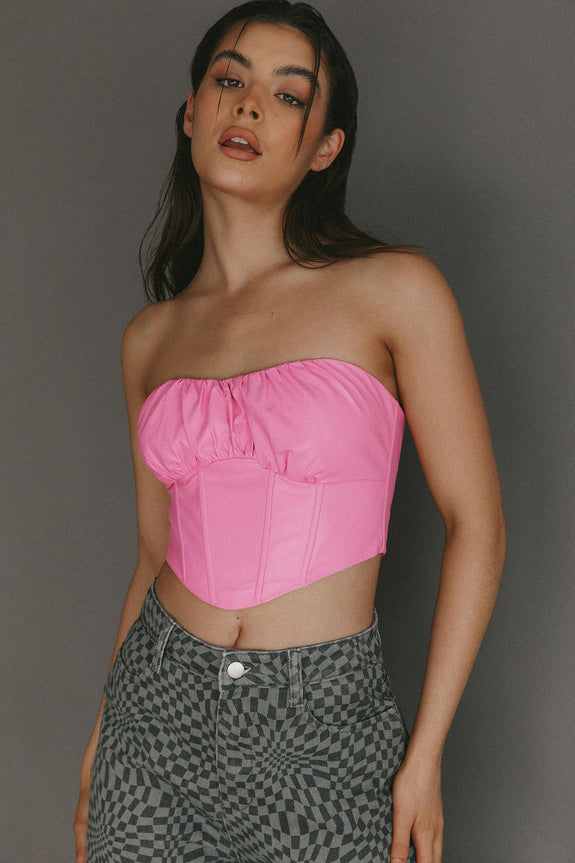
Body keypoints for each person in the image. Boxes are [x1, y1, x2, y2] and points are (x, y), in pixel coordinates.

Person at [74, 2, 506, 861]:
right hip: (152, 724)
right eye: (228, 79)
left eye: (287, 95)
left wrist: (423, 756)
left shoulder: (395, 291)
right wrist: (99, 738)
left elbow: (477, 526)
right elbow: (154, 553)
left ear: (324, 147)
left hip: (323, 727)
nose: (247, 105)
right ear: (191, 112)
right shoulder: (150, 338)